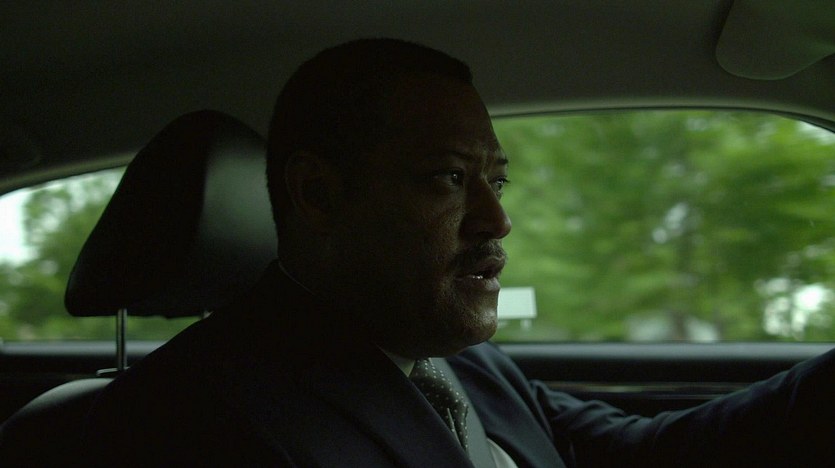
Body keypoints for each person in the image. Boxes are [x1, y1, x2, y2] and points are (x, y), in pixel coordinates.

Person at [80, 38, 835, 467]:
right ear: (317, 194)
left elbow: (636, 454)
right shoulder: (193, 422)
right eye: (447, 178)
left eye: (495, 181)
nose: (497, 220)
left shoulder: (454, 358)